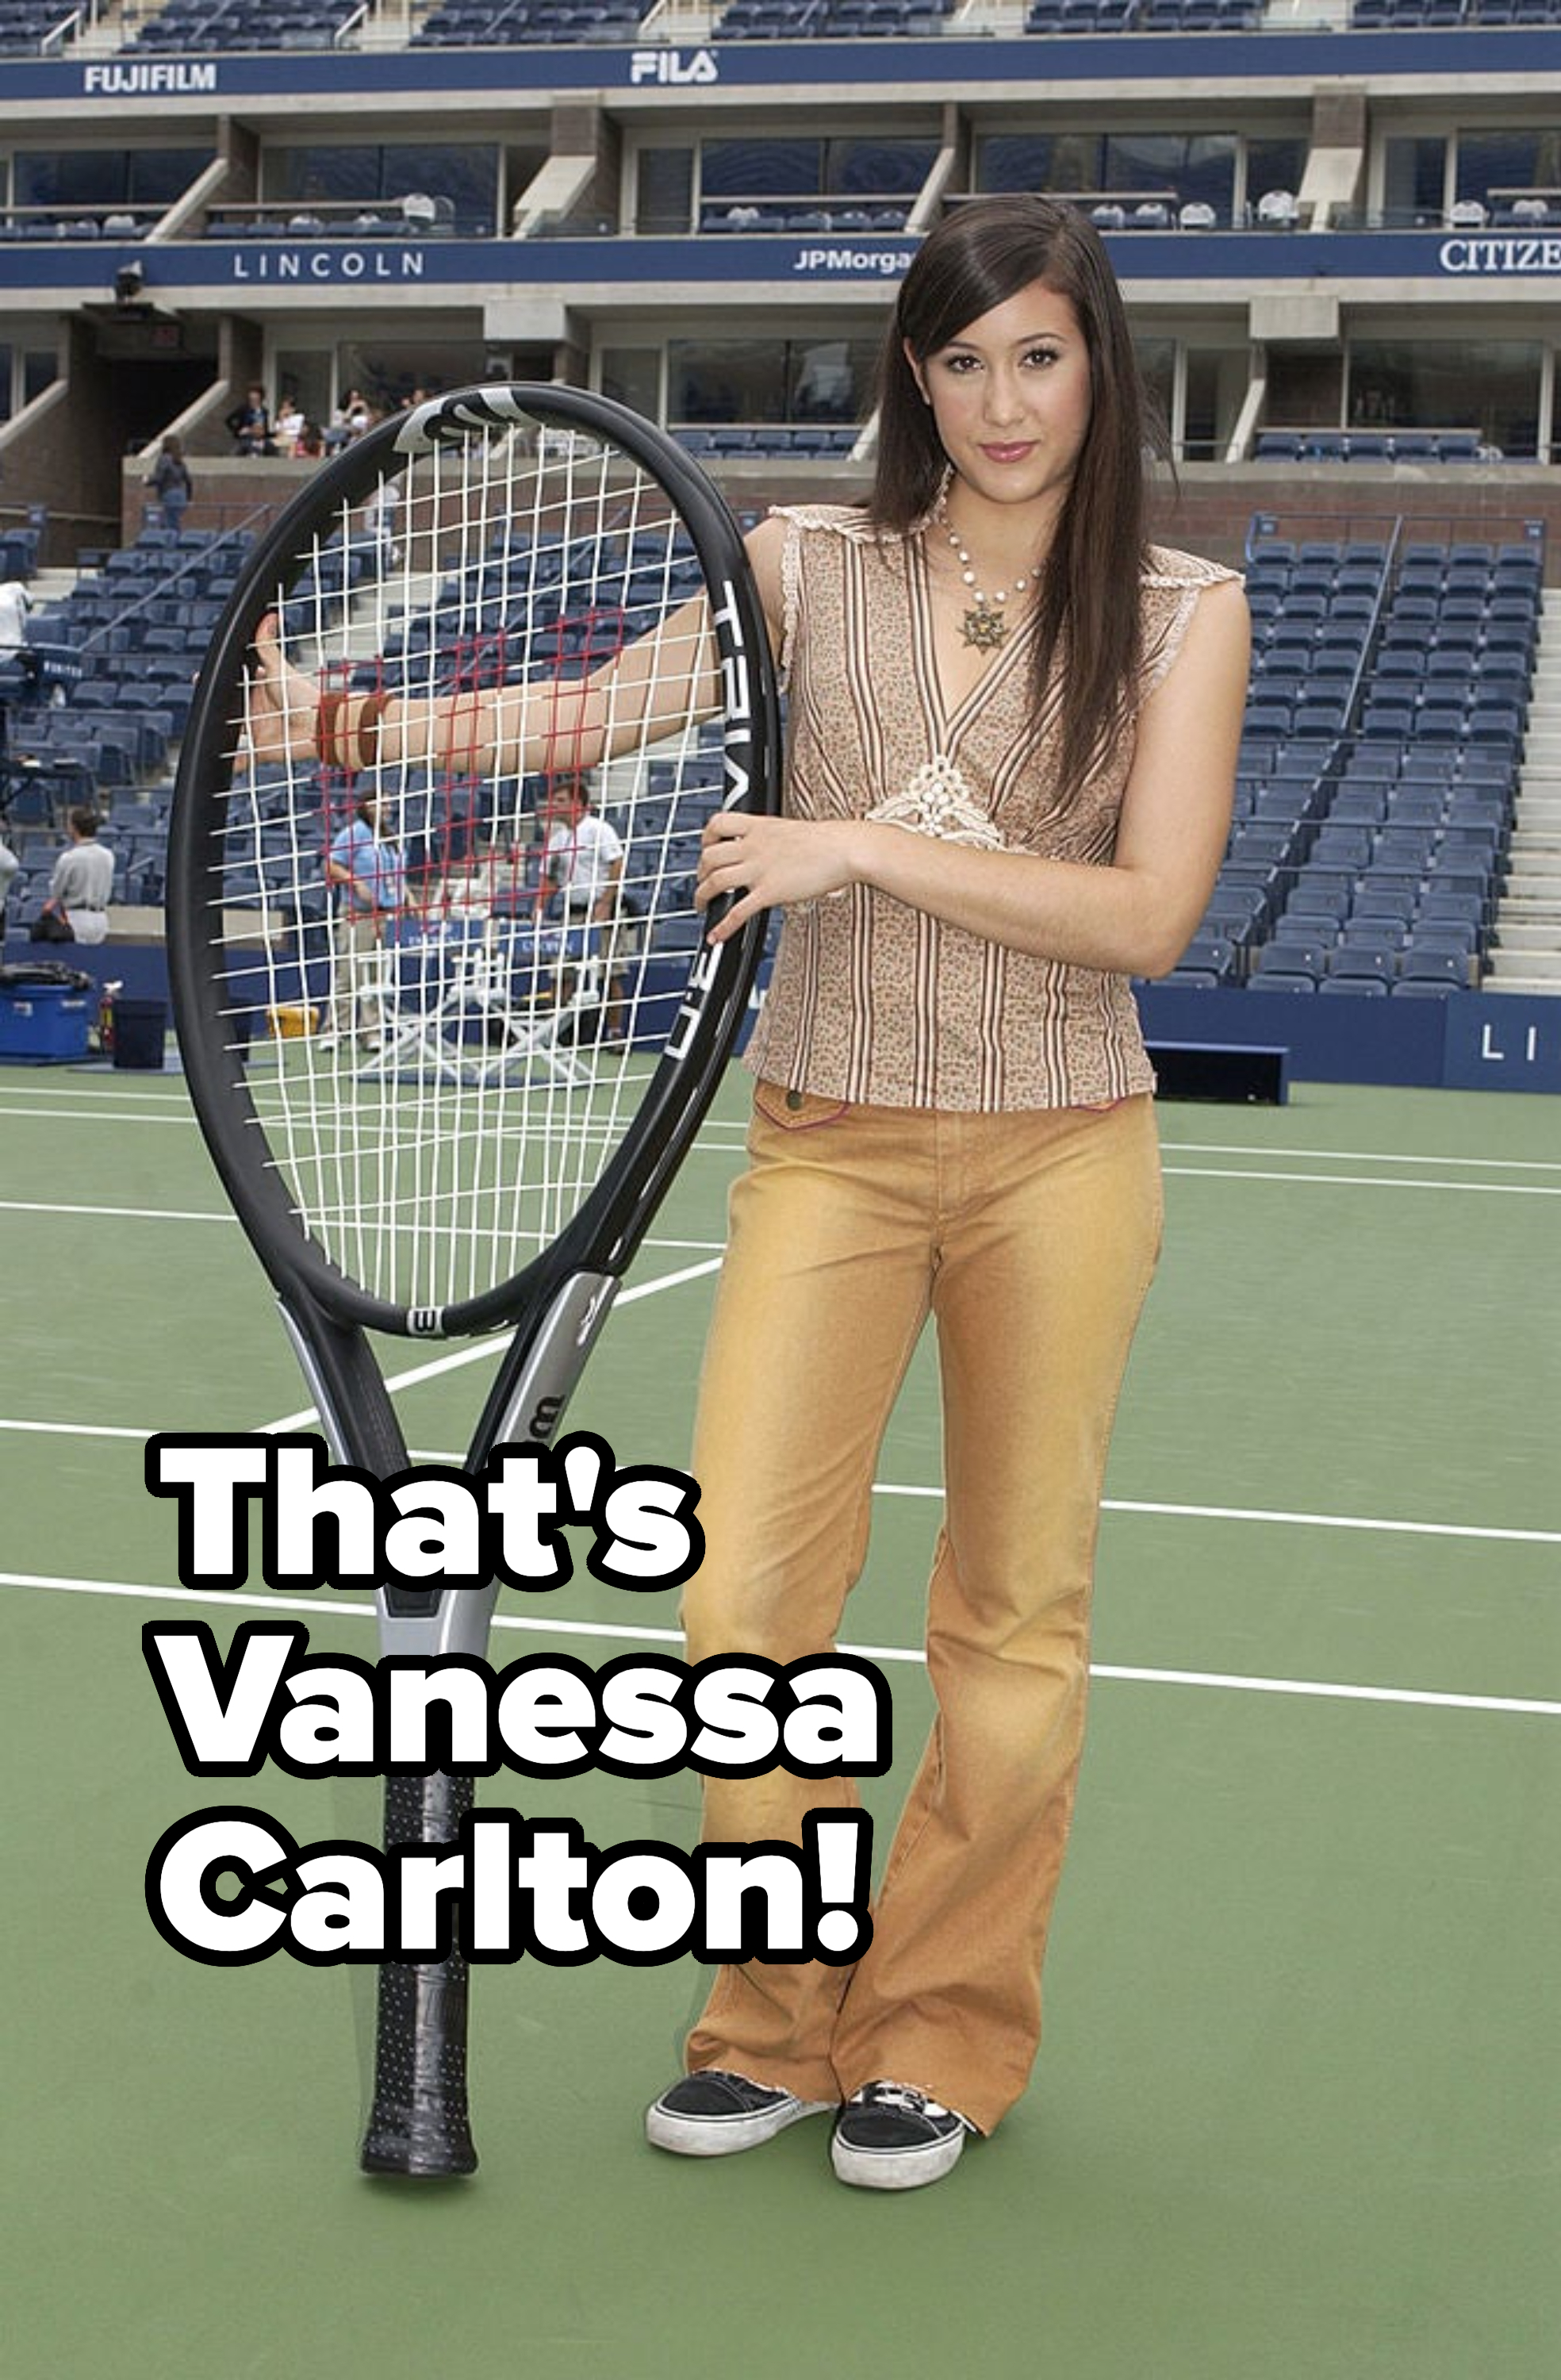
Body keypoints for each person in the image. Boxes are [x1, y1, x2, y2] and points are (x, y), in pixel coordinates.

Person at [245, 194, 1248, 2189]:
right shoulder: (806, 562)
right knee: (740, 1606)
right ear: (912, 374)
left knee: (1012, 1621)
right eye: (960, 360)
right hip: (832, 1141)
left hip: (1064, 1149)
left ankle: (941, 2036)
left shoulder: (1179, 609)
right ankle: (773, 2019)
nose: (1001, 399)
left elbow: (1146, 915)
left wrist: (850, 850)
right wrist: (354, 717)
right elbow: (586, 713)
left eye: (1038, 355)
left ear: (1100, 365)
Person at [324, 792, 406, 1046]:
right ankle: (336, 1029)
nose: (387, 806)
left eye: (389, 802)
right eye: (381, 801)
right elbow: (332, 865)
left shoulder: (391, 838)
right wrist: (356, 882)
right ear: (366, 805)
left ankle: (372, 1031)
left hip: (386, 915)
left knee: (378, 977)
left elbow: (398, 876)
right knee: (349, 974)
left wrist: (410, 901)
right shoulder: (354, 834)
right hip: (357, 914)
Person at [42, 805, 114, 944]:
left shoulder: (69, 858)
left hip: (77, 918)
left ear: (74, 828)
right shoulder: (108, 855)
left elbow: (56, 891)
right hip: (101, 919)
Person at [145, 435, 192, 529]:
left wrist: (147, 481)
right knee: (174, 521)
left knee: (169, 524)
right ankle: (176, 540)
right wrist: (188, 499)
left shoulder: (164, 459)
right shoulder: (180, 461)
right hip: (181, 495)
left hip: (168, 494)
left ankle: (171, 542)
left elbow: (159, 477)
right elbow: (189, 481)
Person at [225, 385, 274, 459]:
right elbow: (228, 420)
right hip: (247, 437)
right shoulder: (244, 408)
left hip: (260, 439)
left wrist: (275, 434)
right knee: (245, 447)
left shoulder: (264, 411)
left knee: (271, 446)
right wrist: (238, 431)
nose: (254, 399)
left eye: (256, 396)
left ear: (260, 397)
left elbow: (266, 430)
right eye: (252, 397)